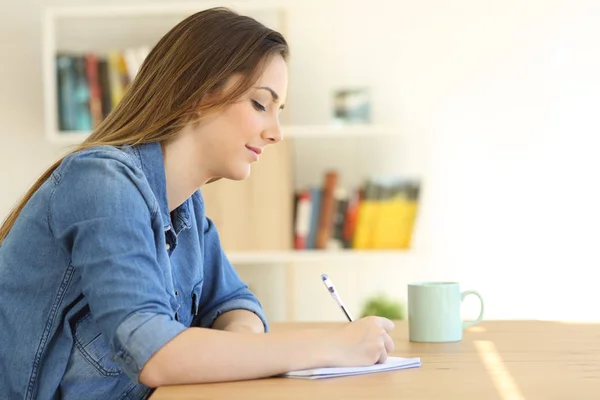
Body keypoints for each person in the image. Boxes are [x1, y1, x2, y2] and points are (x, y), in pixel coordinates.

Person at [0, 7, 395, 400]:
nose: (275, 133)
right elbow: (154, 352)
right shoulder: (102, 183)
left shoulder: (187, 206)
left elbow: (233, 302)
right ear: (198, 95)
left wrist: (237, 348)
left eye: (279, 111)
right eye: (260, 104)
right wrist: (330, 346)